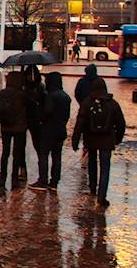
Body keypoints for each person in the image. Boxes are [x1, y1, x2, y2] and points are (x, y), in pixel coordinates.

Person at [72, 78, 125, 207]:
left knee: (92, 163)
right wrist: (118, 138)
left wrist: (75, 139)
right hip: (107, 140)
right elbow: (121, 124)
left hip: (91, 139)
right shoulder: (112, 104)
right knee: (105, 168)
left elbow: (80, 123)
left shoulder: (87, 103)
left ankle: (92, 187)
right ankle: (102, 196)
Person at [29, 72, 71, 192]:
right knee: (57, 157)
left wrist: (39, 116)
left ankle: (43, 180)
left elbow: (47, 112)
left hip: (48, 130)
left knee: (43, 155)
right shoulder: (66, 96)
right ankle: (54, 182)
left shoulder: (51, 96)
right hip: (60, 130)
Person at [0, 72, 28, 189]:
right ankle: (14, 180)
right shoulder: (22, 95)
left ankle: (2, 178)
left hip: (5, 126)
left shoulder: (1, 94)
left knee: (5, 153)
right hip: (19, 128)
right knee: (16, 154)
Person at [22, 65, 46, 178]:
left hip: (35, 118)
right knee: (21, 145)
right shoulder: (23, 87)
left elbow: (43, 102)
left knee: (38, 144)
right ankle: (22, 168)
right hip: (24, 117)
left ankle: (42, 171)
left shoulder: (40, 87)